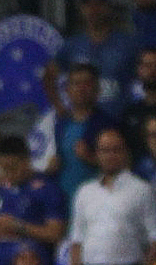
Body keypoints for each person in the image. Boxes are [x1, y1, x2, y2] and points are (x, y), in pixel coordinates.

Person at [68, 127, 156, 265]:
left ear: (126, 152)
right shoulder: (85, 192)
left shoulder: (142, 190)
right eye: (104, 150)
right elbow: (77, 239)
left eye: (115, 150)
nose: (110, 155)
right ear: (97, 154)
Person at [0, 135, 67, 265]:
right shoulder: (1, 188)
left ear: (26, 161)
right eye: (3, 169)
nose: (8, 174)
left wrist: (19, 227)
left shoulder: (47, 189)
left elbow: (56, 234)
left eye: (12, 168)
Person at [45, 0, 140, 116]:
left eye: (99, 4)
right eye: (88, 5)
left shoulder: (127, 44)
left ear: (108, 8)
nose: (94, 9)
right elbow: (49, 76)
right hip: (84, 120)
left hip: (118, 118)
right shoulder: (73, 45)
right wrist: (60, 108)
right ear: (81, 9)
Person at [47, 63, 118, 207]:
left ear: (97, 89)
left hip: (97, 201)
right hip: (64, 201)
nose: (81, 88)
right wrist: (53, 167)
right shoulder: (62, 123)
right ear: (67, 90)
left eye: (87, 83)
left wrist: (91, 158)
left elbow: (122, 165)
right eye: (76, 83)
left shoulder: (108, 124)